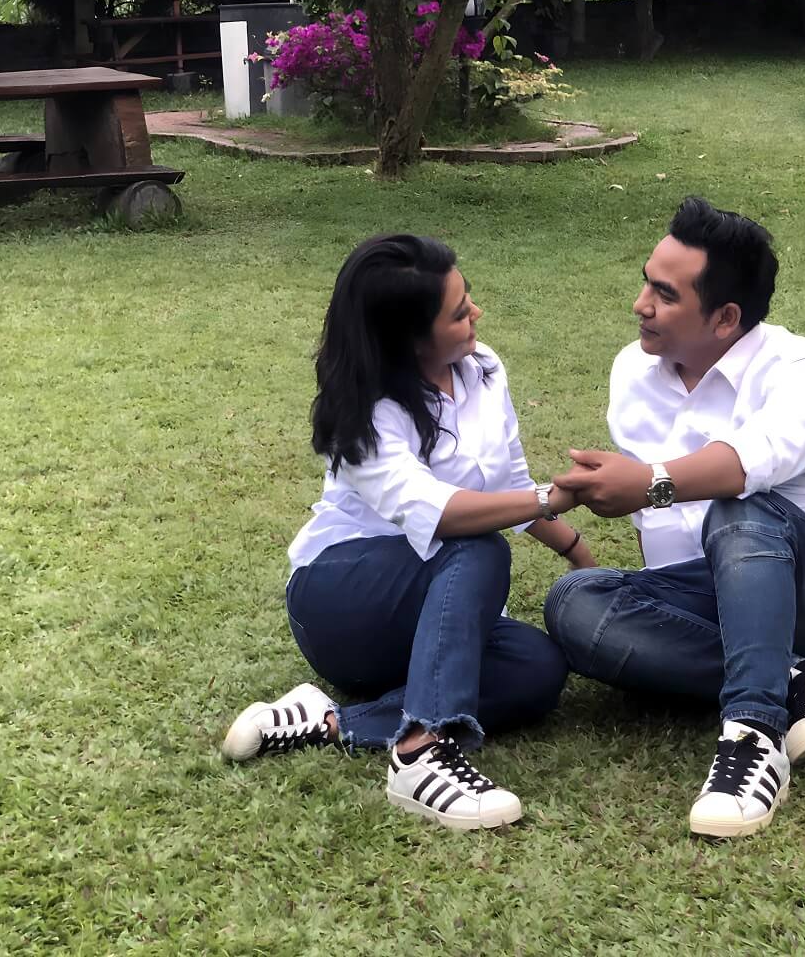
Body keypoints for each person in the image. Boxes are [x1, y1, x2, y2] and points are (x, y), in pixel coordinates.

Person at [544, 197, 805, 839]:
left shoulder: (803, 369)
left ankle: (753, 735)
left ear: (726, 317)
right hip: (714, 598)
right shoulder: (634, 371)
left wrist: (648, 483)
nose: (640, 305)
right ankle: (800, 678)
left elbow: (746, 463)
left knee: (740, 506)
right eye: (646, 282)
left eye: (664, 294)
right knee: (575, 603)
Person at [222, 233, 595, 832]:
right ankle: (422, 752)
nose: (476, 314)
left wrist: (580, 554)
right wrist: (550, 498)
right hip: (342, 604)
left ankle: (329, 721)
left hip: (429, 619)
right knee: (476, 547)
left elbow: (510, 484)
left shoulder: (483, 368)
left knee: (537, 668)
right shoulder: (364, 415)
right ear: (409, 339)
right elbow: (442, 514)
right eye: (459, 313)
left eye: (468, 299)